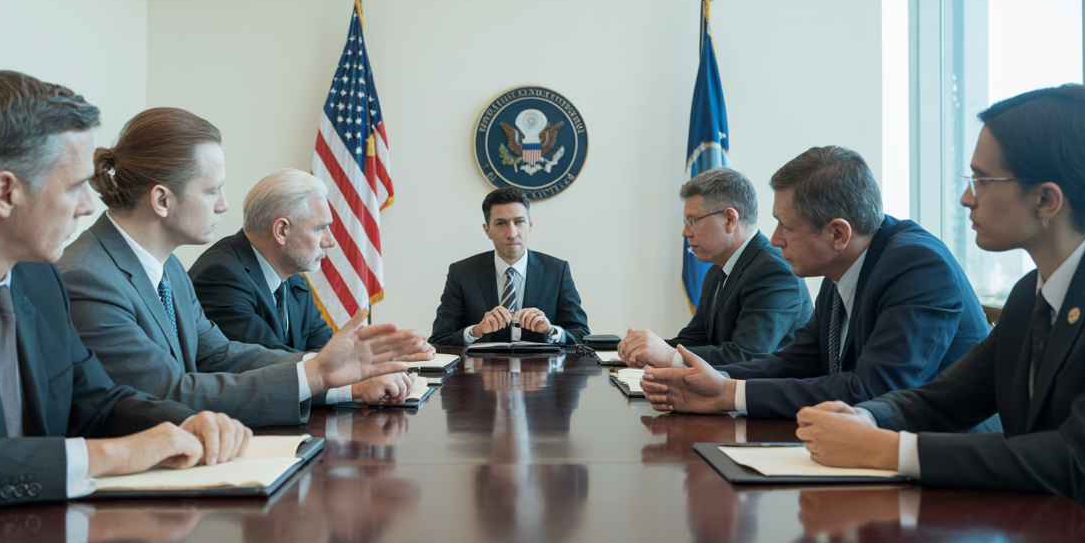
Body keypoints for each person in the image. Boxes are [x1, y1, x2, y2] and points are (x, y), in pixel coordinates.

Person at [0, 71, 251, 515]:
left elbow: (96, 402)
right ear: (5, 192)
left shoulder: (40, 278)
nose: (89, 206)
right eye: (75, 187)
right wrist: (110, 455)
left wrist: (186, 424)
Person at [790, 85, 1085, 533]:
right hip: (1043, 542)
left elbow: (1077, 457)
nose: (966, 198)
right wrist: (865, 417)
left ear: (1046, 199)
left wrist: (883, 449)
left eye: (981, 181)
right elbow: (944, 399)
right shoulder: (1028, 294)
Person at [58, 109, 426, 424]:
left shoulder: (169, 269)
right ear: (162, 200)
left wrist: (335, 371)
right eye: (211, 191)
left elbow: (220, 356)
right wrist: (316, 374)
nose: (223, 204)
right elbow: (167, 393)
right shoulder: (89, 279)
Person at [641, 146, 992, 420]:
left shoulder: (916, 267)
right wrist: (703, 378)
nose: (774, 239)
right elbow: (791, 362)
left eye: (787, 226)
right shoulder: (842, 267)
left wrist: (728, 394)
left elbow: (873, 390)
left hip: (951, 464)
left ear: (838, 233)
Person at [188, 169, 432, 374]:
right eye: (320, 229)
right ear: (281, 231)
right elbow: (268, 364)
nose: (330, 241)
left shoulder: (293, 278)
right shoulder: (222, 277)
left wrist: (387, 355)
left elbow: (325, 350)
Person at [617, 167, 811, 368]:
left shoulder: (774, 272)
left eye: (693, 221)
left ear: (729, 219)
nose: (685, 232)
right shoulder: (715, 272)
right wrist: (641, 349)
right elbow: (695, 339)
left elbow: (747, 356)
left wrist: (668, 357)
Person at [429, 187, 589, 346]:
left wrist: (552, 331)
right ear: (487, 230)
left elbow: (582, 335)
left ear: (530, 226)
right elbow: (439, 339)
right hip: (481, 363)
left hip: (542, 362)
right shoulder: (461, 273)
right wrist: (475, 331)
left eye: (519, 222)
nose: (512, 233)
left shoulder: (557, 271)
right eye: (501, 223)